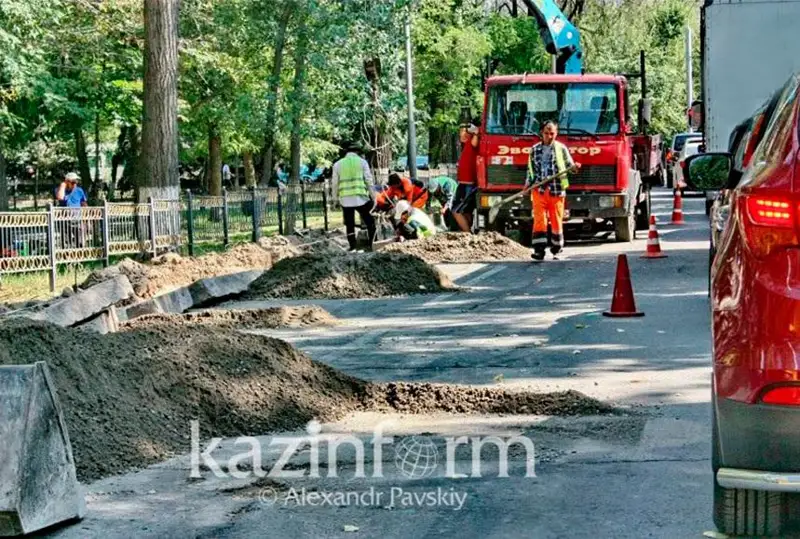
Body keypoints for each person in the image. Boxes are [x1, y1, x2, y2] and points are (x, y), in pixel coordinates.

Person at [526, 121, 580, 261]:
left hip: (556, 190)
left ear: (556, 134)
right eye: (546, 133)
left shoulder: (561, 148)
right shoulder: (534, 149)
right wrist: (527, 185)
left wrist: (574, 167)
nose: (549, 136)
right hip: (539, 190)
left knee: (556, 221)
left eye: (552, 133)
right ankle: (539, 251)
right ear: (541, 133)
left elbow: (570, 165)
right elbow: (530, 171)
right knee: (539, 221)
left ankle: (556, 248)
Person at [331, 142, 377, 251]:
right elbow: (368, 181)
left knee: (349, 224)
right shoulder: (362, 162)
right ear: (358, 152)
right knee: (370, 221)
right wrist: (374, 197)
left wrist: (334, 199)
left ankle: (352, 246)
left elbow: (334, 183)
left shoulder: (338, 164)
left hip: (345, 199)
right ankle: (372, 244)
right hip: (361, 198)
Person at [452, 119, 480, 232]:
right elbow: (462, 137)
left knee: (456, 210)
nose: (463, 132)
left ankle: (467, 234)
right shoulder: (468, 141)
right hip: (464, 181)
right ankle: (467, 231)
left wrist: (476, 132)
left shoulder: (475, 139)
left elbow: (475, 142)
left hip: (469, 182)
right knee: (466, 211)